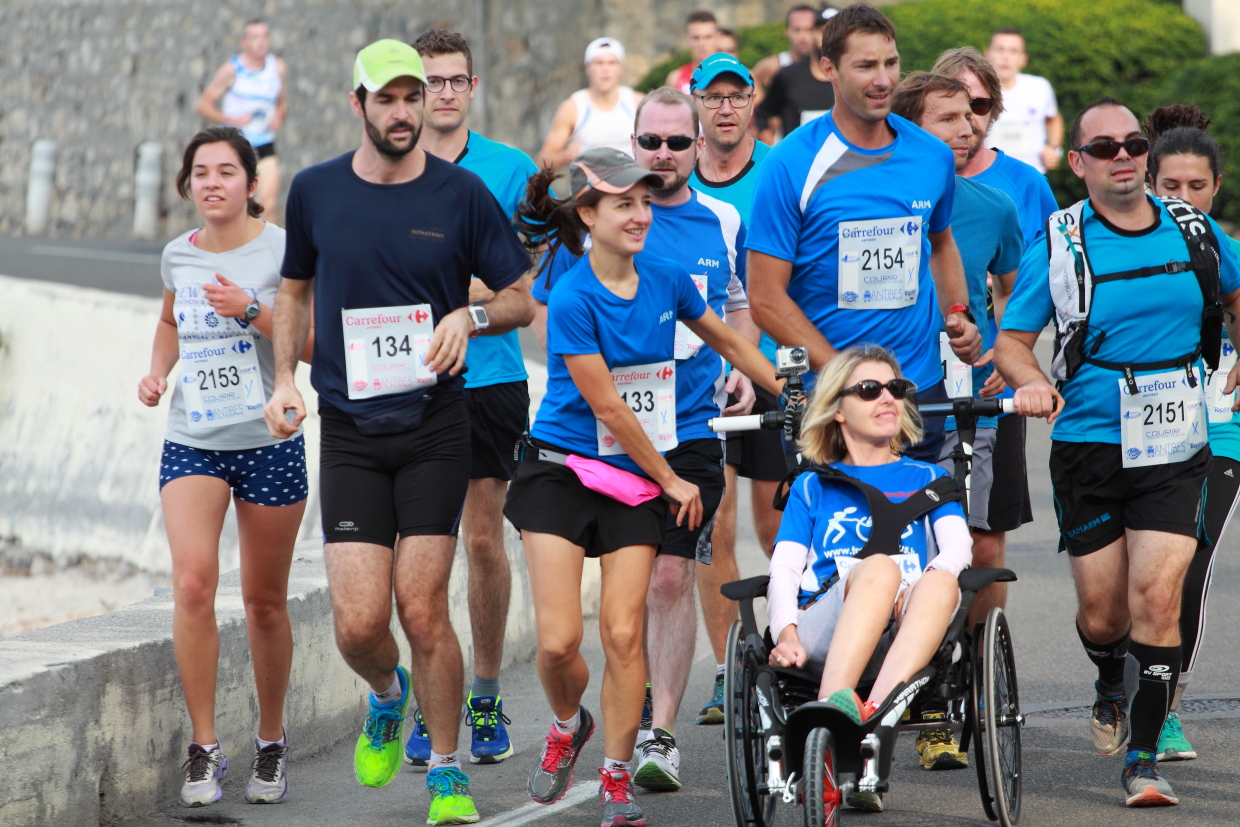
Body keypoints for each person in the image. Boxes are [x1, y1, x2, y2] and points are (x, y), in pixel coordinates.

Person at [264, 39, 534, 825]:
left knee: (422, 610)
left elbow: (520, 296)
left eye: (414, 97)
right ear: (359, 104)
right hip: (349, 427)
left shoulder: (460, 195)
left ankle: (446, 770)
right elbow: (292, 293)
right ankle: (389, 695)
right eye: (388, 98)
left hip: (433, 425)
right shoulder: (315, 192)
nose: (405, 111)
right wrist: (284, 378)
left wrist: (469, 315)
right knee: (357, 625)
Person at [508, 147, 783, 827]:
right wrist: (669, 478)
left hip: (632, 476)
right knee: (556, 643)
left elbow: (732, 342)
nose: (639, 214)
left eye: (644, 202)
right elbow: (606, 407)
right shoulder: (572, 294)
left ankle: (615, 773)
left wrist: (812, 392)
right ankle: (571, 723)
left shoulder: (667, 279)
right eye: (623, 204)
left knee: (624, 632)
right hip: (563, 467)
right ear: (588, 214)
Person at [994, 97, 1240, 808]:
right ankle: (1109, 675)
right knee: (1105, 615)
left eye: (1134, 143)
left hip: (1175, 440)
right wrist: (1035, 382)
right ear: (1079, 163)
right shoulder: (1061, 243)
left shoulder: (1194, 232)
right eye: (1104, 147)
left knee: (1159, 597)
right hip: (1090, 443)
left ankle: (1142, 757)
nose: (1124, 155)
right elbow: (1012, 343)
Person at [138, 126, 313, 808]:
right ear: (188, 185)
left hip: (270, 438)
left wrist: (252, 310)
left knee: (264, 602)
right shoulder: (176, 255)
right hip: (195, 435)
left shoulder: (280, 252)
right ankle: (204, 748)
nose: (212, 183)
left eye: (225, 172)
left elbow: (313, 338)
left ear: (251, 183)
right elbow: (170, 323)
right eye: (201, 173)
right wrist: (156, 374)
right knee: (190, 583)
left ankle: (271, 742)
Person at [748, 3, 981, 466]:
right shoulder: (792, 162)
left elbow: (941, 243)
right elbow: (765, 298)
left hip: (913, 385)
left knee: (920, 533)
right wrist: (845, 373)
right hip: (828, 394)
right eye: (866, 66)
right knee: (835, 535)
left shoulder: (931, 156)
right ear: (828, 68)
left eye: (890, 63)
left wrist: (958, 313)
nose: (883, 79)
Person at [397, 28, 538, 770]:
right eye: (431, 82)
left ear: (472, 89)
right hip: (406, 383)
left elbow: (525, 287)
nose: (444, 92)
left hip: (490, 380)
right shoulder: (390, 167)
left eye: (455, 81)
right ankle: (430, 700)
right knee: (421, 552)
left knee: (483, 541)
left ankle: (483, 693)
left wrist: (452, 294)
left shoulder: (510, 171)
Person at [767, 346, 972, 812]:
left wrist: (923, 587)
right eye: (869, 389)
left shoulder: (928, 475)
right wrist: (786, 631)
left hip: (904, 633)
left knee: (942, 581)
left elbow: (958, 548)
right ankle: (832, 712)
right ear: (837, 410)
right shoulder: (812, 484)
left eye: (896, 389)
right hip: (826, 623)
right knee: (880, 567)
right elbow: (784, 568)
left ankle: (871, 718)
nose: (888, 399)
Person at [891, 71, 1025, 770]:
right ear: (913, 130)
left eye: (972, 115)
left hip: (962, 404)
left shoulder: (994, 206)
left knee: (962, 547)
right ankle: (897, 687)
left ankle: (950, 688)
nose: (967, 126)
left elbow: (1012, 294)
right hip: (880, 404)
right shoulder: (874, 198)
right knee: (891, 550)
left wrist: (1004, 346)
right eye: (948, 118)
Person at [684, 54, 783, 726]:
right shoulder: (673, 181)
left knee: (778, 526)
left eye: (736, 95)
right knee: (712, 523)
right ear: (694, 102)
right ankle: (727, 669)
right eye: (712, 96)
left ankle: (786, 650)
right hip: (700, 378)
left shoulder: (779, 170)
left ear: (753, 102)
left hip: (779, 370)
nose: (725, 107)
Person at [1144, 103, 1240, 764]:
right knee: (1135, 581)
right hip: (1132, 431)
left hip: (1217, 430)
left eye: (1196, 187)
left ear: (1216, 188)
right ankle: (1120, 682)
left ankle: (1166, 705)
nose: (1183, 199)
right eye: (1169, 187)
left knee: (1190, 571)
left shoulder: (1224, 248)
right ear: (1148, 182)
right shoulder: (1113, 240)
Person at [931, 47, 1058, 248]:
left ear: (994, 110)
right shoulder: (914, 179)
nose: (967, 118)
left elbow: (1056, 266)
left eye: (978, 105)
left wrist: (1011, 276)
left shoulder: (1027, 183)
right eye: (957, 104)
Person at [196, 19, 287, 214]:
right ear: (244, 42)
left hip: (264, 142)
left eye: (264, 36)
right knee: (238, 205)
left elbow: (282, 103)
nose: (260, 42)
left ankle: (268, 244)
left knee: (268, 204)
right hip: (238, 145)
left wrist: (279, 116)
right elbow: (203, 105)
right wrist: (231, 119)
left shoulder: (277, 67)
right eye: (255, 37)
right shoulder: (232, 70)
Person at [540, 38, 643, 167]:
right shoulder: (573, 108)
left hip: (632, 184)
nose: (605, 69)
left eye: (611, 63)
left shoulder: (637, 103)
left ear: (620, 68)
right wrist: (565, 156)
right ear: (588, 68)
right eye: (599, 63)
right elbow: (542, 162)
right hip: (589, 185)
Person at [983, 28, 1064, 174]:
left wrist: (1053, 148)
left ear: (1023, 59)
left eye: (1013, 51)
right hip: (988, 179)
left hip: (1032, 178)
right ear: (987, 55)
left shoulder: (1039, 87)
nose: (1005, 57)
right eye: (1000, 49)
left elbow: (1053, 118)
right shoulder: (975, 91)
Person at [754, 6, 836, 143]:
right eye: (821, 30)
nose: (827, 38)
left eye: (835, 32)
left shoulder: (852, 77)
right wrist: (769, 145)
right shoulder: (786, 74)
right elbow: (762, 112)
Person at [752, 5, 819, 103]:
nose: (803, 37)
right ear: (786, 32)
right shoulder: (770, 67)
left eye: (809, 29)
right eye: (796, 30)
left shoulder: (828, 67)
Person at [666, 10, 720, 93]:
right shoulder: (675, 78)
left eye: (708, 37)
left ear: (717, 38)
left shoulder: (734, 75)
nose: (701, 43)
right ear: (686, 39)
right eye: (696, 38)